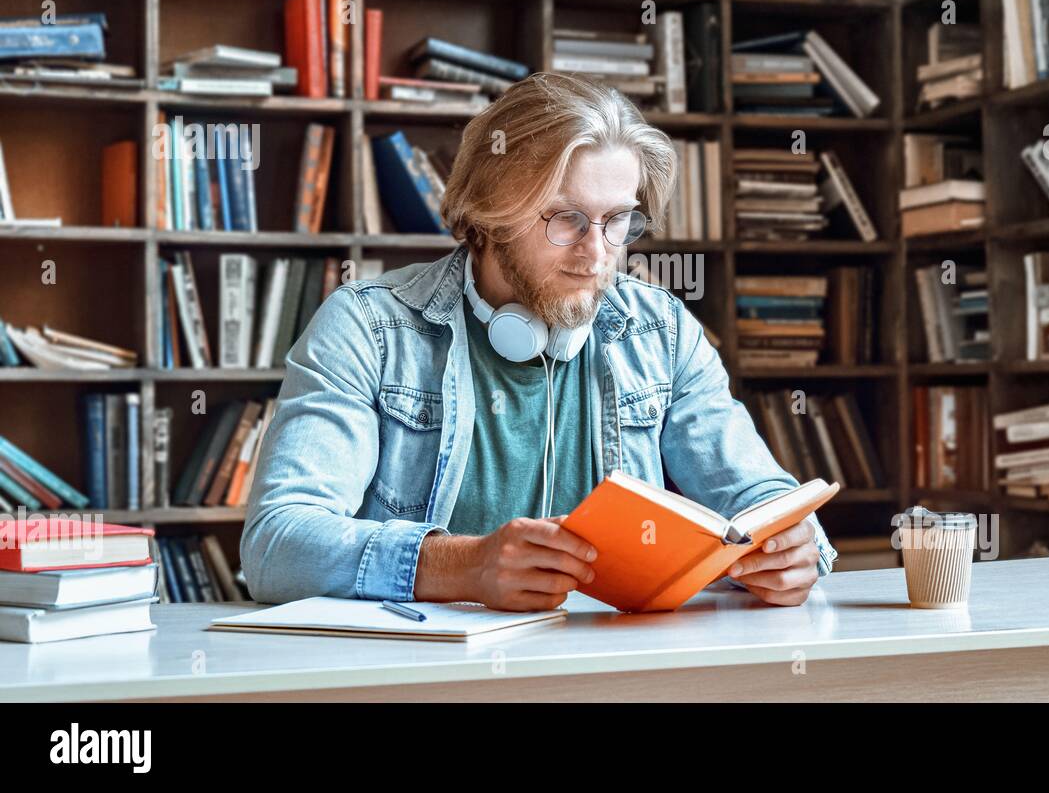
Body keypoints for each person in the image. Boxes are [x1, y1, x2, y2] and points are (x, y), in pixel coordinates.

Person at [240, 71, 838, 611]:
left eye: (618, 221)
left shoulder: (664, 332)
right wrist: (465, 566)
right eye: (566, 218)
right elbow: (277, 545)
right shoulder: (367, 329)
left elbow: (760, 495)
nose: (598, 252)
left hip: (614, 673)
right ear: (490, 210)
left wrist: (793, 546)